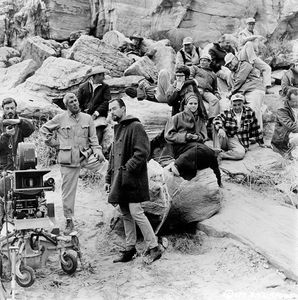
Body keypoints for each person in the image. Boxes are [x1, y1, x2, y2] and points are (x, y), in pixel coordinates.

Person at [105, 98, 162, 264]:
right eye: (110, 110)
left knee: (136, 211)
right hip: (119, 179)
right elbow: (112, 156)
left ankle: (154, 247)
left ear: (123, 109)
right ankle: (130, 249)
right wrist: (109, 177)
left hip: (133, 178)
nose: (112, 112)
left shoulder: (135, 126)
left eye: (114, 108)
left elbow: (143, 152)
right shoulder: (118, 129)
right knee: (126, 213)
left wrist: (127, 169)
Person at [40, 93, 106, 234]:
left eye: (76, 100)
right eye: (71, 102)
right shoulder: (60, 118)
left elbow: (93, 139)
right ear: (66, 105)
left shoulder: (87, 118)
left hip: (85, 156)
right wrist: (56, 144)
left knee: (108, 168)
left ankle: (118, 203)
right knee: (68, 193)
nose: (75, 103)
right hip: (68, 159)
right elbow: (44, 129)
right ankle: (69, 220)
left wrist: (98, 151)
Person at [0, 97, 35, 239]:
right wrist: (5, 136)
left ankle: (22, 225)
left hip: (21, 167)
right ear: (3, 109)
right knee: (1, 197)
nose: (10, 111)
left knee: (22, 196)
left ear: (15, 108)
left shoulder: (19, 123)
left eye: (12, 108)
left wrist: (19, 121)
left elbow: (31, 129)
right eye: (7, 108)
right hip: (4, 167)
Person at [164, 93, 222, 186]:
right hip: (181, 147)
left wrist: (197, 137)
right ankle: (177, 165)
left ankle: (218, 181)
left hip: (196, 145)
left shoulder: (200, 119)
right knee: (202, 149)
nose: (193, 106)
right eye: (191, 103)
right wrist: (185, 136)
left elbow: (204, 136)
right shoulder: (177, 117)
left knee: (210, 153)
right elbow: (168, 135)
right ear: (185, 104)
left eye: (195, 104)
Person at [213, 93, 267, 160]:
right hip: (228, 137)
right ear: (231, 104)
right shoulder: (227, 112)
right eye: (234, 105)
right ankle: (216, 151)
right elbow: (216, 119)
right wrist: (220, 129)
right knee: (216, 126)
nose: (237, 107)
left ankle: (222, 155)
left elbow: (256, 128)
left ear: (243, 103)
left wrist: (261, 143)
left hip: (240, 140)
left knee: (240, 154)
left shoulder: (249, 112)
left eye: (239, 104)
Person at [224, 52, 265, 132]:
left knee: (253, 109)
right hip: (242, 93)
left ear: (235, 59)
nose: (229, 66)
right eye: (227, 65)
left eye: (230, 63)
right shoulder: (231, 74)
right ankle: (236, 131)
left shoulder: (244, 65)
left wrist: (231, 92)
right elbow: (230, 87)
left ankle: (257, 133)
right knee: (231, 108)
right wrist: (231, 93)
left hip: (254, 90)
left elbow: (240, 79)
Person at [77, 66, 111, 147]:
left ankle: (96, 151)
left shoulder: (105, 87)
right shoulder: (83, 87)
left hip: (99, 115)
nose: (104, 77)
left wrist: (96, 113)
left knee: (98, 130)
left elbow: (106, 102)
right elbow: (78, 103)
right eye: (102, 75)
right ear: (96, 76)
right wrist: (83, 114)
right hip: (84, 115)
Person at [237, 17, 272, 92]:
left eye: (253, 24)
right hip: (243, 55)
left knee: (267, 68)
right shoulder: (242, 32)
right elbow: (243, 41)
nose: (251, 25)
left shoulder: (255, 32)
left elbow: (257, 46)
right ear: (246, 24)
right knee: (249, 43)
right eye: (249, 24)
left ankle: (266, 88)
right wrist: (255, 36)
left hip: (253, 56)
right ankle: (252, 62)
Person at [190, 54, 221, 121]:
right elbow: (190, 78)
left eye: (204, 60)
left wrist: (216, 93)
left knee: (215, 100)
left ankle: (212, 119)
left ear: (209, 62)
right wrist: (195, 86)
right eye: (201, 60)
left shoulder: (213, 74)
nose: (202, 62)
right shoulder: (195, 68)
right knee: (195, 101)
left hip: (207, 91)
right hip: (196, 89)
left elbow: (215, 88)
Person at [271, 88, 298, 158]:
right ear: (287, 99)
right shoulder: (281, 109)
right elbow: (291, 126)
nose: (296, 104)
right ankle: (288, 151)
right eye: (293, 101)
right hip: (284, 137)